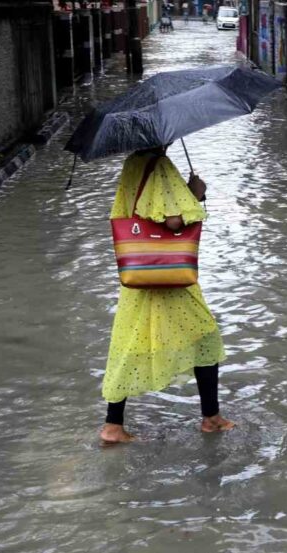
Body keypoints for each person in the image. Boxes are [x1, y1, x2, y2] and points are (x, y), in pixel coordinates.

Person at [99, 144, 234, 445]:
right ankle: (211, 418)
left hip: (139, 274)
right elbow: (173, 220)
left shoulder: (132, 163)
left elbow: (138, 210)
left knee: (129, 345)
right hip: (168, 275)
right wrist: (195, 193)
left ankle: (113, 425)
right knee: (206, 338)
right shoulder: (159, 165)